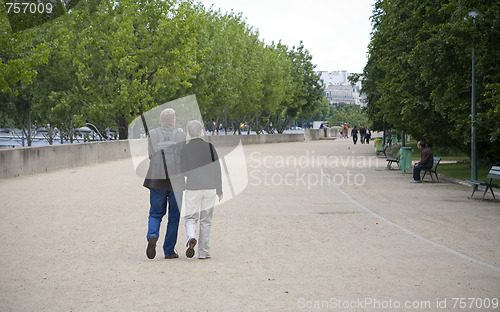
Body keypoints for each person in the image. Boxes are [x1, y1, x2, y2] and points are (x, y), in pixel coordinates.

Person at [144, 108, 186, 259]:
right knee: (174, 216)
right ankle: (169, 250)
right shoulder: (180, 134)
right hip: (176, 180)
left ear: (161, 120)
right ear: (173, 120)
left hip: (156, 178)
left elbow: (150, 154)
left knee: (155, 213)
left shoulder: (153, 134)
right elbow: (183, 157)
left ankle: (152, 235)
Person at [181, 120, 223, 259]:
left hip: (193, 187)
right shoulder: (210, 147)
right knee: (206, 220)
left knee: (190, 218)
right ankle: (203, 252)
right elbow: (217, 168)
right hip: (210, 187)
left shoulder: (185, 148)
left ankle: (191, 237)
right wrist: (219, 190)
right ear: (201, 132)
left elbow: (183, 170)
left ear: (188, 132)